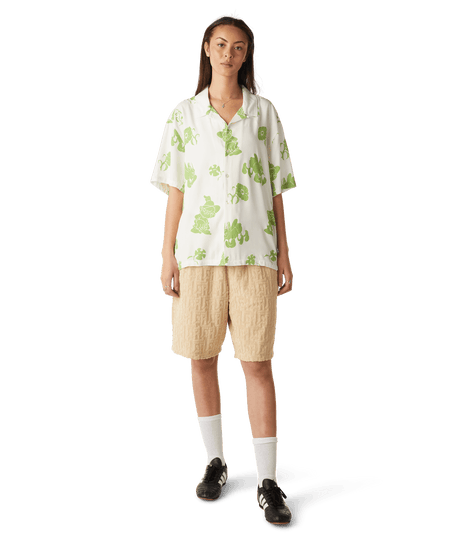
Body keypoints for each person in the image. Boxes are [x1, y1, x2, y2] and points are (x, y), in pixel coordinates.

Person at [148, 14, 298, 526]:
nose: (228, 53)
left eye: (238, 46)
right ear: (207, 50)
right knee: (201, 356)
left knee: (257, 363)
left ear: (246, 54)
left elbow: (276, 191)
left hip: (255, 255)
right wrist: (167, 254)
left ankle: (268, 480)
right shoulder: (184, 115)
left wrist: (285, 253)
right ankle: (215, 461)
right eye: (220, 44)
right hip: (197, 254)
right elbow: (175, 191)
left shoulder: (264, 113)